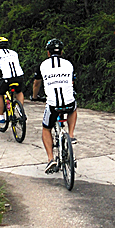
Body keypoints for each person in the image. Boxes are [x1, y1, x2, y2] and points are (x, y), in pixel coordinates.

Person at [32, 38, 77, 173]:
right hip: (68, 102)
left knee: (46, 129)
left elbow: (36, 83)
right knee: (73, 108)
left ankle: (51, 159)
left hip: (53, 105)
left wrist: (34, 97)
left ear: (48, 53)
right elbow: (71, 82)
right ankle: (71, 134)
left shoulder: (43, 65)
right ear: (61, 52)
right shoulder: (68, 64)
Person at [0, 37, 26, 125]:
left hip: (7, 78)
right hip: (19, 76)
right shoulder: (14, 53)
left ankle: (1, 117)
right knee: (19, 92)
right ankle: (21, 111)